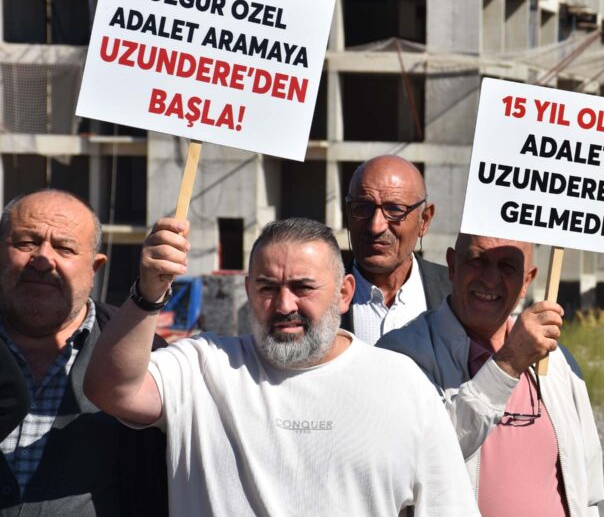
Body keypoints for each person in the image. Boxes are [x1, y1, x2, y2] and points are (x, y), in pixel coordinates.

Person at [84, 217, 477, 516]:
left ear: (344, 293)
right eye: (268, 288)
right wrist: (149, 292)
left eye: (303, 287)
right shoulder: (203, 366)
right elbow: (111, 390)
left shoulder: (403, 384)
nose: (285, 305)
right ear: (248, 291)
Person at [378, 234, 604, 516]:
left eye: (508, 266)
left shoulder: (557, 362)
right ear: (452, 265)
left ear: (527, 280)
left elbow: (587, 489)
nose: (490, 279)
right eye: (478, 260)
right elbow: (417, 461)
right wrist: (508, 364)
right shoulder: (402, 353)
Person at [0, 189, 167, 516]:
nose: (43, 259)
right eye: (26, 243)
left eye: (64, 248)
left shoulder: (149, 359)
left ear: (95, 268)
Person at [343, 155, 450, 344]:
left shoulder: (455, 293)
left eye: (394, 210)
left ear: (424, 220)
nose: (376, 226)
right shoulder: (320, 295)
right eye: (362, 208)